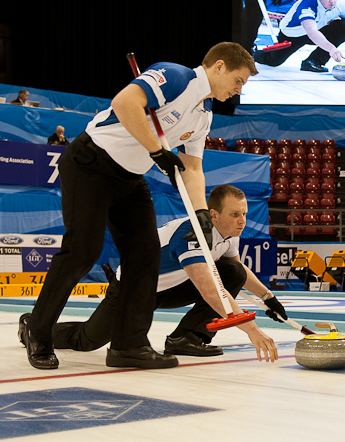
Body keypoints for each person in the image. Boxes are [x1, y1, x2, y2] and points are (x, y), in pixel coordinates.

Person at [19, 42, 258, 370]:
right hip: (91, 163)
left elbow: (192, 168)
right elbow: (125, 101)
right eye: (239, 80)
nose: (238, 89)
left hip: (129, 178)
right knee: (82, 252)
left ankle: (128, 346)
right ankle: (38, 332)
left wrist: (201, 214)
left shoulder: (203, 116)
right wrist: (156, 150)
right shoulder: (176, 77)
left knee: (145, 256)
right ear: (219, 66)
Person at [21, 185, 282, 362]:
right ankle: (34, 328)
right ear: (213, 215)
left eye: (245, 214)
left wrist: (268, 297)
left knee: (233, 271)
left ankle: (186, 338)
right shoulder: (191, 234)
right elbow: (211, 290)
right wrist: (252, 330)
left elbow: (237, 272)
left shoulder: (228, 234)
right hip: (132, 290)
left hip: (166, 289)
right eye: (235, 214)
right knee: (87, 340)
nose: (242, 221)